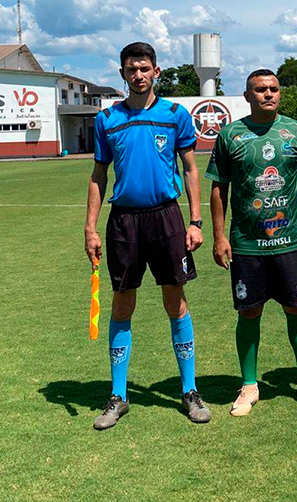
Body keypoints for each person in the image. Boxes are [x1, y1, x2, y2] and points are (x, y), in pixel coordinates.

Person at [85, 41, 210, 429]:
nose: (138, 75)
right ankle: (118, 396)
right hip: (124, 222)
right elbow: (99, 175)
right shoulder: (107, 119)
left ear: (156, 71)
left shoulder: (175, 115)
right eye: (131, 69)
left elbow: (190, 168)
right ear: (122, 74)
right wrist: (90, 228)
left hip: (167, 218)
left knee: (176, 301)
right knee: (122, 304)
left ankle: (189, 390)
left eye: (144, 68)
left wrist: (195, 221)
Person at [207, 69, 297, 416]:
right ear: (247, 96)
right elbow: (219, 187)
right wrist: (219, 236)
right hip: (247, 243)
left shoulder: (296, 131)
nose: (268, 94)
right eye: (260, 90)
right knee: (249, 311)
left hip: (288, 241)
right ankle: (249, 385)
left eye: (273, 89)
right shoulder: (230, 135)